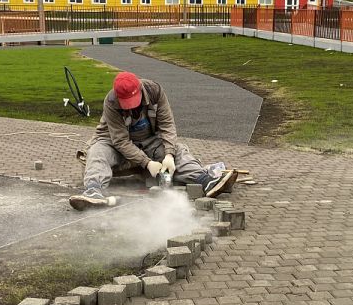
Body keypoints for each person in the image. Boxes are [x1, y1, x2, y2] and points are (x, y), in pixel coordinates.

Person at [69, 71, 237, 210]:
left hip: (149, 140)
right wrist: (147, 163)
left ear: (140, 90)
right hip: (113, 143)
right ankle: (92, 191)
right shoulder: (111, 101)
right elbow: (120, 141)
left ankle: (205, 181)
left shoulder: (155, 91)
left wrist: (169, 155)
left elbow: (167, 125)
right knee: (97, 152)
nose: (131, 107)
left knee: (178, 151)